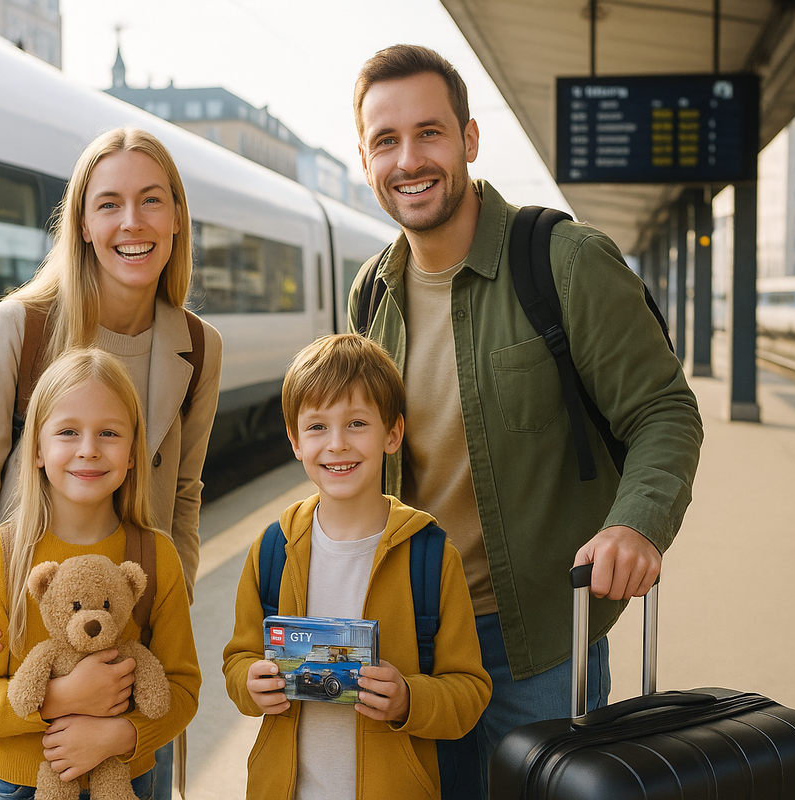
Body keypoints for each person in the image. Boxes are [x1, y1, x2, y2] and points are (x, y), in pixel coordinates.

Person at [348, 45, 704, 798]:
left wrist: (636, 525)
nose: (409, 159)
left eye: (430, 133)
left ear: (470, 141)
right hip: (413, 643)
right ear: (365, 156)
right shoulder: (369, 296)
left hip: (539, 642)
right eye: (386, 140)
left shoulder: (565, 262)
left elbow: (664, 411)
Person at [0, 128, 222, 800]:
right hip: (1, 648)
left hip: (119, 665)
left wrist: (163, 601)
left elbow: (183, 495)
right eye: (109, 204)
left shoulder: (198, 348)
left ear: (178, 217)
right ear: (81, 223)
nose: (133, 222)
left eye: (152, 200)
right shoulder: (20, 327)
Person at [222, 333, 492, 800]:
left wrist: (410, 698)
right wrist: (250, 683)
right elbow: (238, 660)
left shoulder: (428, 556)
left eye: (357, 423)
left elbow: (468, 692)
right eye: (317, 427)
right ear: (295, 441)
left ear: (393, 433)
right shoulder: (272, 549)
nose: (338, 444)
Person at [0, 347, 199, 799]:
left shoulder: (155, 556)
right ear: (39, 450)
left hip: (128, 781)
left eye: (108, 433)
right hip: (21, 787)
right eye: (68, 432)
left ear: (131, 455)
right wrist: (62, 696)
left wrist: (121, 735)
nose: (88, 449)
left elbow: (181, 689)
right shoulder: (3, 556)